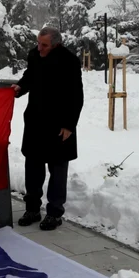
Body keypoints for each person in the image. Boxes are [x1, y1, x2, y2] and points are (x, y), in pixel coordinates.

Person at [12, 26, 84, 231]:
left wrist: (69, 125)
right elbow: (29, 77)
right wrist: (20, 87)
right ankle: (32, 209)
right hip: (35, 122)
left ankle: (54, 213)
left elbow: (75, 95)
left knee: (58, 170)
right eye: (38, 43)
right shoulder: (35, 55)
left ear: (56, 44)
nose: (39, 47)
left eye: (44, 45)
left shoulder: (69, 61)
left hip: (59, 125)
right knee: (33, 169)